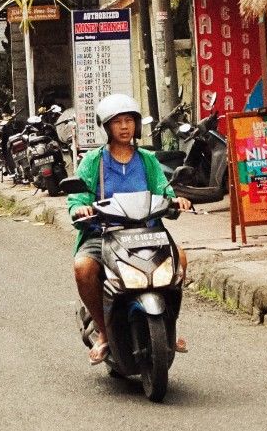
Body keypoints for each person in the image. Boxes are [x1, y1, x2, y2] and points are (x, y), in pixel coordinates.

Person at [68, 93, 190, 364]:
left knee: (180, 257)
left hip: (147, 232)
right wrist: (81, 208)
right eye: (117, 122)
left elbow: (164, 189)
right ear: (107, 127)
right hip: (104, 234)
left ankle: (169, 326)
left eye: (129, 121)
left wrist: (176, 200)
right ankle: (104, 332)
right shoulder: (93, 161)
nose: (124, 127)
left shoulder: (147, 159)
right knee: (83, 268)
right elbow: (78, 196)